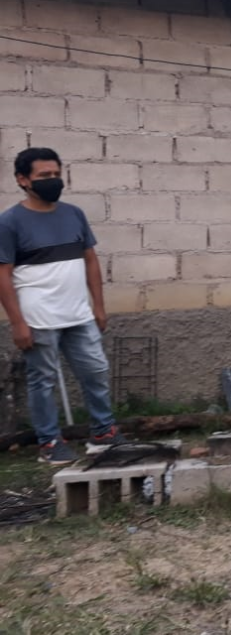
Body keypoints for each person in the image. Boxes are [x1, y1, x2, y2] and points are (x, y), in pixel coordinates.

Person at [0, 147, 125, 465]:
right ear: (23, 179)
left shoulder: (74, 214)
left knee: (95, 370)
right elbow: (3, 274)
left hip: (78, 313)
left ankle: (103, 432)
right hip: (39, 317)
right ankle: (49, 442)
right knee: (42, 380)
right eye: (44, 176)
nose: (53, 181)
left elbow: (91, 260)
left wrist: (98, 305)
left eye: (57, 174)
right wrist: (17, 323)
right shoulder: (10, 222)